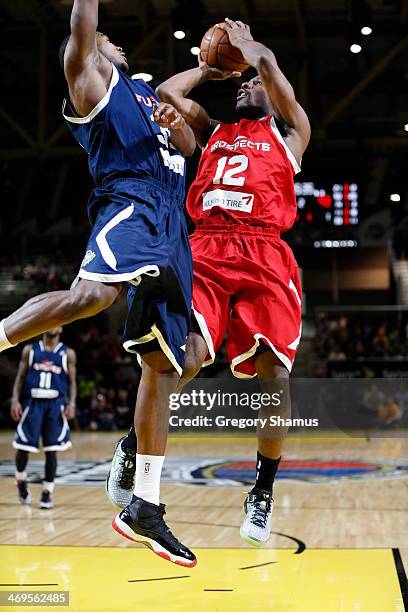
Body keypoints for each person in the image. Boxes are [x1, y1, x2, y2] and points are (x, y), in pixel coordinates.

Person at [1, 0, 196, 567]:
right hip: (131, 202)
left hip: (173, 224)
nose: (115, 42)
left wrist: (191, 101)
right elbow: (84, 27)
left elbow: (187, 142)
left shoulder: (147, 95)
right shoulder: (93, 82)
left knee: (170, 362)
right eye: (106, 39)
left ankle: (147, 505)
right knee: (92, 296)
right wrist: (90, 22)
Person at [107, 19, 311, 548]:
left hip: (265, 254)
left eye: (252, 83)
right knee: (184, 356)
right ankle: (134, 446)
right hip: (207, 248)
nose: (245, 84)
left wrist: (247, 51)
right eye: (241, 82)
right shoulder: (213, 132)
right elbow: (166, 94)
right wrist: (208, 66)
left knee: (274, 379)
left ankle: (261, 490)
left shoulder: (290, 134)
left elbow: (269, 69)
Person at [10, 328, 76, 509]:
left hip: (55, 404)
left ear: (61, 328)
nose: (52, 326)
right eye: (49, 323)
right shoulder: (30, 350)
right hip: (33, 402)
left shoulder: (67, 353)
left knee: (52, 450)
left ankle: (47, 492)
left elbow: (72, 382)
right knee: (23, 447)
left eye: (56, 324)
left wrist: (72, 404)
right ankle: (21, 479)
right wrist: (15, 400)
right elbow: (20, 377)